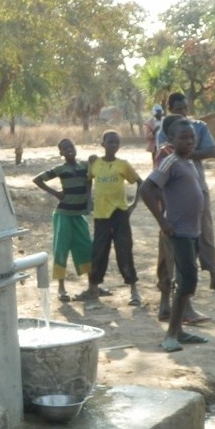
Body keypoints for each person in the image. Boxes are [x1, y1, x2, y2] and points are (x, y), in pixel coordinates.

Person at [141, 116, 209, 352]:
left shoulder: (189, 163)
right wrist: (162, 220)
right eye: (183, 138)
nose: (189, 141)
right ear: (171, 140)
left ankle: (179, 330)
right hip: (178, 232)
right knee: (188, 280)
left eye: (192, 137)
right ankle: (170, 335)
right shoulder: (170, 161)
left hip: (193, 232)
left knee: (186, 281)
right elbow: (146, 188)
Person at [157, 92, 215, 293]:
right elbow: (163, 156)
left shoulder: (198, 126)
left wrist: (185, 152)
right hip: (174, 192)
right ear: (171, 109)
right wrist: (187, 153)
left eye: (185, 107)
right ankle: (169, 283)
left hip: (199, 187)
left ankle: (212, 276)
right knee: (174, 237)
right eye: (178, 108)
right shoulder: (165, 130)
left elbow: (212, 151)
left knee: (205, 232)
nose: (183, 111)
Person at [75, 130, 142, 306]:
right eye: (110, 142)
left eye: (117, 142)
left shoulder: (123, 165)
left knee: (124, 251)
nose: (114, 145)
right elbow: (88, 180)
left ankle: (134, 291)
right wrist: (88, 201)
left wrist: (133, 205)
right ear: (102, 144)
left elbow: (140, 182)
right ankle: (93, 288)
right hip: (101, 215)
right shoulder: (95, 163)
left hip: (119, 214)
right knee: (98, 252)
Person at [32, 138, 93, 302]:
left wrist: (89, 200)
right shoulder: (61, 169)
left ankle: (91, 285)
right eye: (65, 149)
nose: (69, 150)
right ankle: (61, 287)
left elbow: (90, 181)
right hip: (64, 214)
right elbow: (37, 179)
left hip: (79, 215)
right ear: (61, 153)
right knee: (61, 249)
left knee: (86, 247)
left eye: (71, 147)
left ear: (75, 148)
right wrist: (56, 193)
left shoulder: (84, 166)